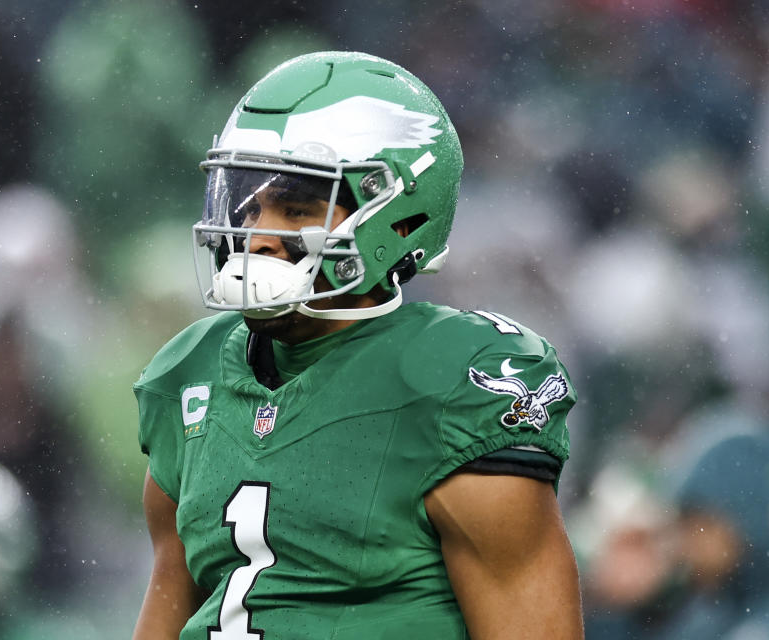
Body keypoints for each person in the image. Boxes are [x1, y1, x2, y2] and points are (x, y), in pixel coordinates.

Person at [132, 51, 583, 639]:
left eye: (295, 208)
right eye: (249, 205)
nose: (256, 237)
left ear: (397, 218)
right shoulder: (187, 374)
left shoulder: (453, 380)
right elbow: (169, 601)